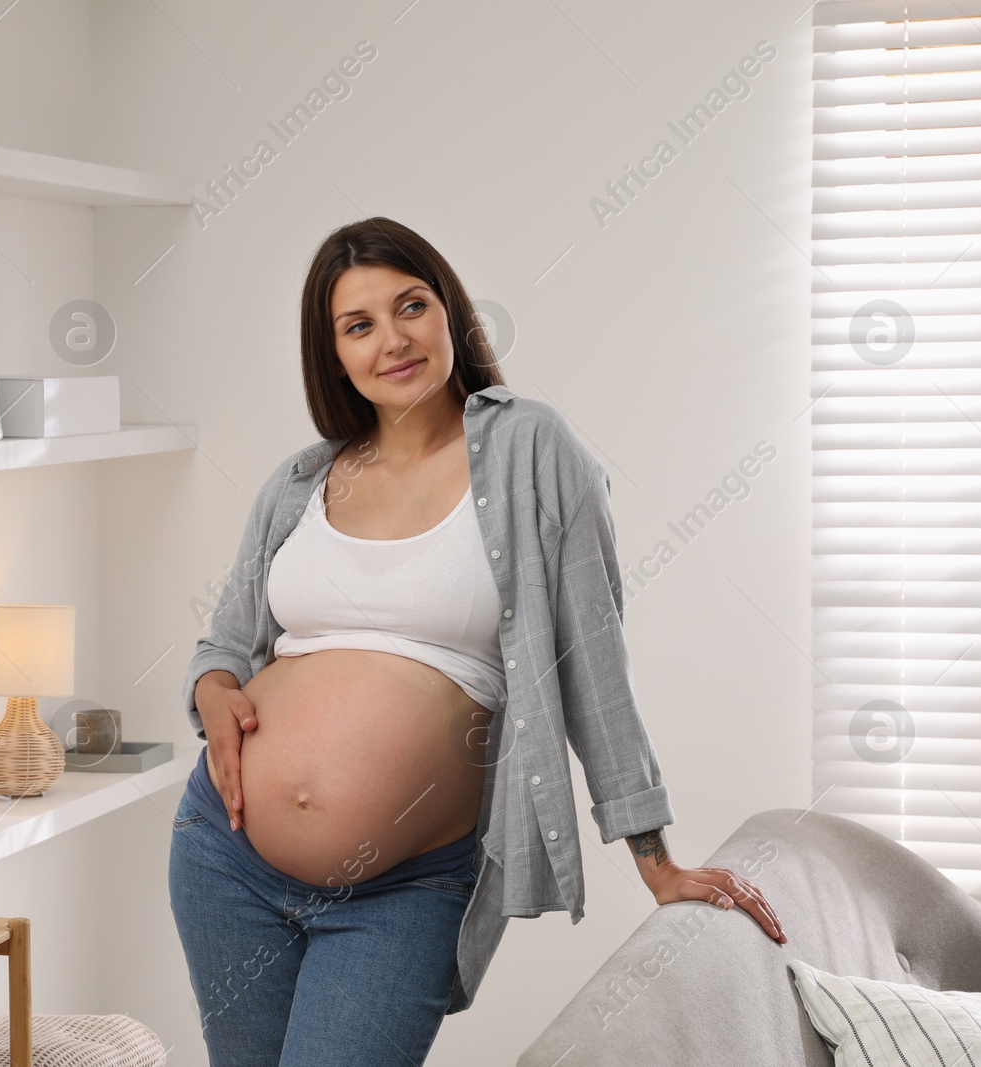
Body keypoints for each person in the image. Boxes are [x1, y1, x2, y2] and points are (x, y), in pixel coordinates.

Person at [168, 216, 786, 1067]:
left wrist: (655, 859)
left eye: (410, 305)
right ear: (335, 353)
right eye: (360, 325)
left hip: (402, 889)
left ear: (450, 310)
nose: (393, 339)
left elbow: (592, 662)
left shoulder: (533, 449)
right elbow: (226, 638)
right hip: (224, 858)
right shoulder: (303, 479)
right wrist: (211, 687)